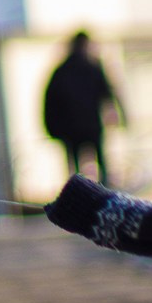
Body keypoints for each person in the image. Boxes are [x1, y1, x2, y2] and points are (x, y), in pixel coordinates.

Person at [43, 31, 122, 187]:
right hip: (90, 127)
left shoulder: (62, 71)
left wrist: (53, 129)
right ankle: (103, 193)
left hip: (72, 129)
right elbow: (108, 94)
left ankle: (80, 194)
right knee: (100, 165)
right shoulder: (91, 68)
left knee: (75, 170)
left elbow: (50, 103)